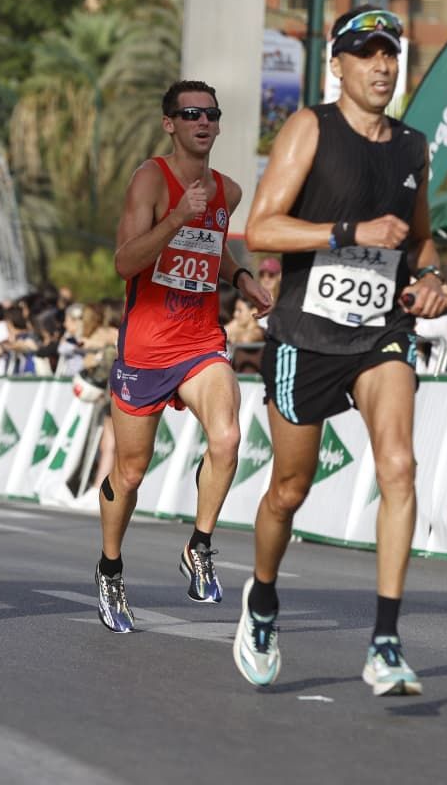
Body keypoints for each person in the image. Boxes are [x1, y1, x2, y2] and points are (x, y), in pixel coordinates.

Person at [240, 6, 447, 696]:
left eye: (390, 53)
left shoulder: (413, 146)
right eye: (366, 52)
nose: (382, 65)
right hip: (306, 336)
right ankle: (262, 598)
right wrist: (350, 231)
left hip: (380, 333)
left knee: (399, 467)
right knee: (289, 490)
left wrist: (432, 279)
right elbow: (261, 229)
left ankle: (385, 642)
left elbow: (421, 240)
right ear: (338, 64)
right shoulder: (311, 127)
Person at [92, 78, 274, 634]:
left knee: (227, 437)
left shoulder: (228, 192)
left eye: (211, 114)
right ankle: (110, 568)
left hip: (200, 343)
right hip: (145, 349)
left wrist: (242, 277)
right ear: (169, 124)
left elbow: (213, 249)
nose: (204, 123)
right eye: (191, 114)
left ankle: (200, 545)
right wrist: (175, 218)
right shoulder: (150, 179)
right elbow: (125, 263)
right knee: (130, 472)